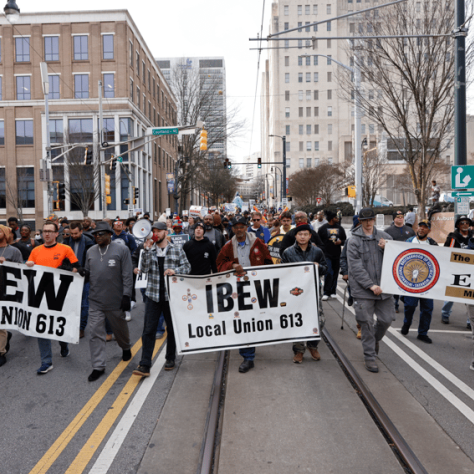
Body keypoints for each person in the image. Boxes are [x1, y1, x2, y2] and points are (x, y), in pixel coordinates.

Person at [133, 221, 191, 377]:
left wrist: (175, 270)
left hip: (170, 296)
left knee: (172, 329)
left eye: (159, 231)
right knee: (148, 330)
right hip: (153, 295)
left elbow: (187, 267)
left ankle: (170, 358)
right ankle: (144, 365)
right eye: (154, 231)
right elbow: (143, 270)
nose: (156, 234)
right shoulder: (149, 250)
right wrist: (145, 250)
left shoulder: (176, 250)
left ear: (166, 232)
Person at [216, 217, 273, 373]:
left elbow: (269, 262)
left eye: (242, 227)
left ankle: (251, 346)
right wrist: (232, 265)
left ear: (246, 228)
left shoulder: (258, 244)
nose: (239, 229)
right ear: (233, 229)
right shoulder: (228, 247)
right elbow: (219, 264)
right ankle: (248, 357)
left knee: (255, 318)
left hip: (256, 287)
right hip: (238, 289)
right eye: (236, 227)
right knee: (243, 321)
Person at [26, 221, 83, 374]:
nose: (47, 234)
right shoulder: (36, 250)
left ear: (57, 234)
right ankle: (46, 361)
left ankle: (64, 346)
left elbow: (78, 268)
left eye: (50, 231)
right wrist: (28, 265)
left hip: (60, 295)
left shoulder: (66, 249)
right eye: (45, 231)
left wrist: (66, 269)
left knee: (58, 326)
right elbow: (28, 270)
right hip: (41, 296)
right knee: (41, 328)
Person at [347, 207, 395, 373]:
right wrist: (370, 285)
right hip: (363, 290)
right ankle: (370, 356)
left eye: (370, 220)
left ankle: (374, 339)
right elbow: (355, 267)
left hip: (385, 289)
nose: (368, 223)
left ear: (374, 220)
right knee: (366, 323)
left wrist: (387, 248)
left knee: (386, 320)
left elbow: (397, 260)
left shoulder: (386, 237)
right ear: (360, 221)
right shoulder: (353, 241)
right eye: (364, 220)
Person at [84, 222, 133, 382]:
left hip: (116, 300)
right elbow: (88, 273)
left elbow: (127, 275)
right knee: (95, 333)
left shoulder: (122, 250)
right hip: (95, 300)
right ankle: (98, 366)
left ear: (109, 234)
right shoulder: (90, 251)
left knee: (120, 329)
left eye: (100, 234)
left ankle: (125, 347)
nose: (97, 236)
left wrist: (127, 296)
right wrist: (81, 273)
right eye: (95, 234)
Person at [281, 222, 327, 363]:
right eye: (300, 234)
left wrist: (319, 267)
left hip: (313, 291)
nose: (302, 237)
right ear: (295, 235)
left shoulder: (317, 252)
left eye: (305, 234)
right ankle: (299, 350)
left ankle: (313, 346)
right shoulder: (288, 252)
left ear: (310, 236)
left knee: (319, 320)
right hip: (295, 292)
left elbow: (325, 268)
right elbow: (283, 272)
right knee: (298, 319)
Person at [401, 220, 438, 343]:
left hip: (427, 282)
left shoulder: (433, 244)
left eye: (425, 227)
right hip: (411, 281)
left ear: (429, 230)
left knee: (427, 309)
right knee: (410, 305)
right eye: (420, 226)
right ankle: (406, 323)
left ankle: (423, 333)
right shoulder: (409, 242)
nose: (421, 229)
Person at [63, 221, 95, 338]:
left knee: (84, 304)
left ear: (81, 231)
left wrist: (83, 270)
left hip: (84, 277)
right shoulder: (66, 242)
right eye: (71, 233)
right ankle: (72, 325)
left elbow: (91, 260)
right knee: (69, 303)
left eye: (76, 233)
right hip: (70, 276)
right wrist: (69, 269)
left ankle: (81, 328)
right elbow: (63, 260)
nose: (73, 236)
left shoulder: (88, 241)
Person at [441, 215, 474, 325]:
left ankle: (470, 321)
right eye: (462, 222)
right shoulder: (452, 237)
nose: (465, 224)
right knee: (451, 295)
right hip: (455, 270)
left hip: (471, 272)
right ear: (458, 225)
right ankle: (445, 314)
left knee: (469, 297)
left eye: (467, 223)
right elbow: (446, 252)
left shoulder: (472, 236)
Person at [0, 225, 23, 367]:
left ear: (6, 233)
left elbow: (21, 270)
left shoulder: (14, 251)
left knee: (0, 324)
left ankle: (1, 352)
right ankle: (6, 337)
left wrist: (6, 263)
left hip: (5, 291)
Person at [384, 210, 415, 313]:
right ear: (394, 219)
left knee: (407, 282)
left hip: (408, 261)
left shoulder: (410, 230)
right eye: (397, 217)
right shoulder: (388, 231)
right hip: (394, 261)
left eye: (402, 216)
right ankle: (395, 303)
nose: (400, 218)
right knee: (396, 283)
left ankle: (404, 299)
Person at [318, 211, 346, 301]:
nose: (337, 219)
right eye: (335, 217)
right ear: (331, 218)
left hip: (337, 255)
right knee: (328, 272)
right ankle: (326, 292)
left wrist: (340, 242)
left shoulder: (340, 228)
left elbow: (345, 240)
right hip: (326, 254)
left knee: (335, 273)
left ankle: (333, 291)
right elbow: (319, 241)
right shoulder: (322, 229)